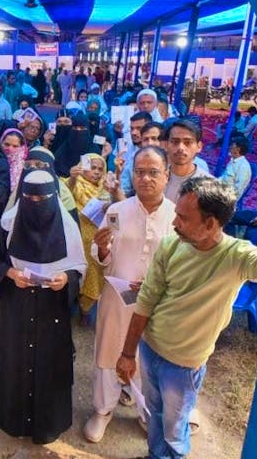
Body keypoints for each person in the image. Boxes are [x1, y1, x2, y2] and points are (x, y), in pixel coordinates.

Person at [116, 170, 257, 459]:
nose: (174, 222)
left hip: (184, 365)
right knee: (152, 413)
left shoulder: (237, 256)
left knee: (174, 428)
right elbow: (146, 299)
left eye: (183, 217)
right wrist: (127, 352)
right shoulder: (171, 244)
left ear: (210, 224)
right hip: (150, 350)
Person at [0, 170, 86, 445]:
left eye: (42, 197)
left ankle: (48, 424)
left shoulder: (68, 227)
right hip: (16, 304)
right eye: (28, 197)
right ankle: (12, 419)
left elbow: (79, 269)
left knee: (50, 363)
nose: (35, 202)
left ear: (55, 197)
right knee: (15, 361)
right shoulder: (8, 223)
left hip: (52, 307)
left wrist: (66, 279)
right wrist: (10, 274)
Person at [83, 146, 175, 443]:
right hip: (117, 298)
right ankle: (103, 410)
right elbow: (102, 259)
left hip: (158, 303)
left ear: (166, 175)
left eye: (153, 172)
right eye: (139, 172)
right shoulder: (116, 211)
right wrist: (103, 248)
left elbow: (182, 261)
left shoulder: (177, 216)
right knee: (110, 351)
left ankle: (146, 411)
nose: (146, 178)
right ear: (131, 175)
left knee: (149, 356)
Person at [66, 152, 109, 315]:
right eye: (92, 168)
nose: (97, 172)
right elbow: (68, 191)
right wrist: (72, 178)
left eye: (100, 169)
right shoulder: (77, 183)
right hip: (77, 239)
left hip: (96, 241)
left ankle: (85, 310)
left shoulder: (104, 188)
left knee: (93, 275)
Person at [164, 119, 212, 203]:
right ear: (166, 145)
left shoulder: (208, 186)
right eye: (175, 142)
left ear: (199, 147)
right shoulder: (156, 177)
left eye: (187, 142)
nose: (180, 148)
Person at [0, 128, 27, 192]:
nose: (10, 149)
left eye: (15, 146)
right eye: (7, 144)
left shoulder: (25, 167)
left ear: (22, 147)